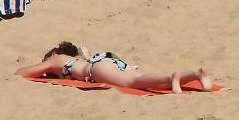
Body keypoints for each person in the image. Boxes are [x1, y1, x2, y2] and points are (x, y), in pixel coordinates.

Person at [19, 42, 215, 94]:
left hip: (95, 70)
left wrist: (46, 68)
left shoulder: (57, 59)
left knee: (134, 83)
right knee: (146, 81)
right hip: (109, 61)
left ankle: (175, 75)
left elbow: (22, 73)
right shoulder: (80, 56)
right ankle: (195, 74)